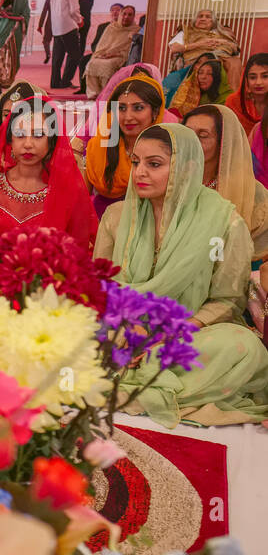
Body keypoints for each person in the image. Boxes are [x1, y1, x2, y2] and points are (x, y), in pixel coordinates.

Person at [95, 123, 268, 426]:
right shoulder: (117, 216)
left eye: (154, 164)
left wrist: (166, 333)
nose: (140, 173)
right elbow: (102, 286)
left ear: (186, 169)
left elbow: (227, 300)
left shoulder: (224, 222)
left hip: (188, 332)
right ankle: (143, 376)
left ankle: (130, 382)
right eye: (136, 162)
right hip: (123, 327)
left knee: (245, 348)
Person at [0, 96, 97, 247]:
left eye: (38, 135)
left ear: (51, 140)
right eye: (20, 135)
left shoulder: (68, 189)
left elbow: (78, 250)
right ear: (10, 139)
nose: (28, 144)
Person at [182, 104, 268, 263]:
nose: (192, 141)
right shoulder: (174, 181)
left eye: (203, 135)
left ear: (223, 142)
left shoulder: (250, 191)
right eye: (187, 134)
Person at [85, 72, 165, 215]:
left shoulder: (166, 151)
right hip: (101, 221)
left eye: (138, 108)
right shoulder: (99, 147)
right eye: (121, 108)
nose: (128, 117)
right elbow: (80, 200)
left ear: (155, 112)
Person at [164, 9, 242, 96]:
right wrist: (200, 44)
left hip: (221, 57)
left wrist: (223, 42)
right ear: (195, 20)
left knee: (235, 61)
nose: (203, 19)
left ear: (214, 21)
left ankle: (232, 96)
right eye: (200, 16)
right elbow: (174, 48)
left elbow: (235, 49)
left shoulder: (222, 33)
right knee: (206, 62)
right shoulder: (186, 32)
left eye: (207, 17)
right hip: (196, 59)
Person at [83, 5, 140, 97]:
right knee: (92, 63)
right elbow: (102, 44)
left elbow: (129, 50)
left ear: (133, 17)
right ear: (121, 15)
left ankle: (107, 94)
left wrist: (114, 54)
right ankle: (94, 94)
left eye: (130, 15)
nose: (126, 17)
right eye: (124, 14)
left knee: (108, 65)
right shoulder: (111, 27)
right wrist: (102, 54)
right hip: (105, 55)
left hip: (120, 57)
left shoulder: (136, 30)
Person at [75, 3, 123, 94]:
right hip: (99, 53)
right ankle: (84, 88)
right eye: (112, 10)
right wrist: (97, 53)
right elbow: (95, 43)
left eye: (118, 10)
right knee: (84, 60)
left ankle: (104, 90)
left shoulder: (124, 27)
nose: (115, 12)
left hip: (114, 55)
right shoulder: (102, 26)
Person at [48, 0, 83, 90]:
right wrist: (79, 20)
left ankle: (55, 82)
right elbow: (74, 9)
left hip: (57, 28)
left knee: (57, 57)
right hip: (68, 26)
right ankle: (66, 81)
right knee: (75, 55)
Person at [170, 53, 232, 118]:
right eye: (200, 73)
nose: (203, 77)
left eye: (209, 74)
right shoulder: (192, 95)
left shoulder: (227, 99)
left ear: (218, 77)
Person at [228, 52, 268, 134]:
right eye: (253, 77)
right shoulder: (234, 102)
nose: (258, 82)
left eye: (265, 76)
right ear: (246, 80)